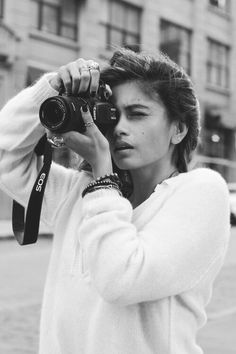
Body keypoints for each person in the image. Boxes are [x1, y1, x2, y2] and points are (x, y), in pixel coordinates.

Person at [0, 48, 230, 354]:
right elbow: (7, 155)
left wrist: (102, 175)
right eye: (113, 115)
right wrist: (52, 88)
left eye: (137, 114)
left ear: (179, 128)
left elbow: (120, 279)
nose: (119, 127)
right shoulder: (82, 190)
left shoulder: (202, 191)